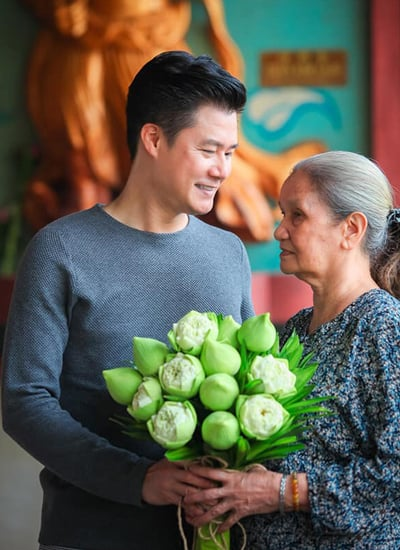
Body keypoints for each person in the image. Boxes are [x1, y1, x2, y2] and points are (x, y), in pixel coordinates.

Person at [1, 50, 255, 550]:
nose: (223, 169)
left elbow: (248, 386)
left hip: (213, 536)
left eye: (231, 152)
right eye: (208, 150)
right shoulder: (61, 250)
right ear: (154, 139)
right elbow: (23, 401)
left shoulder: (229, 252)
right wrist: (139, 479)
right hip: (91, 535)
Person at [184, 150, 400, 549]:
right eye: (282, 213)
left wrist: (283, 492)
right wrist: (222, 486)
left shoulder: (383, 328)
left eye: (296, 215)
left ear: (351, 229)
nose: (279, 230)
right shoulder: (296, 330)